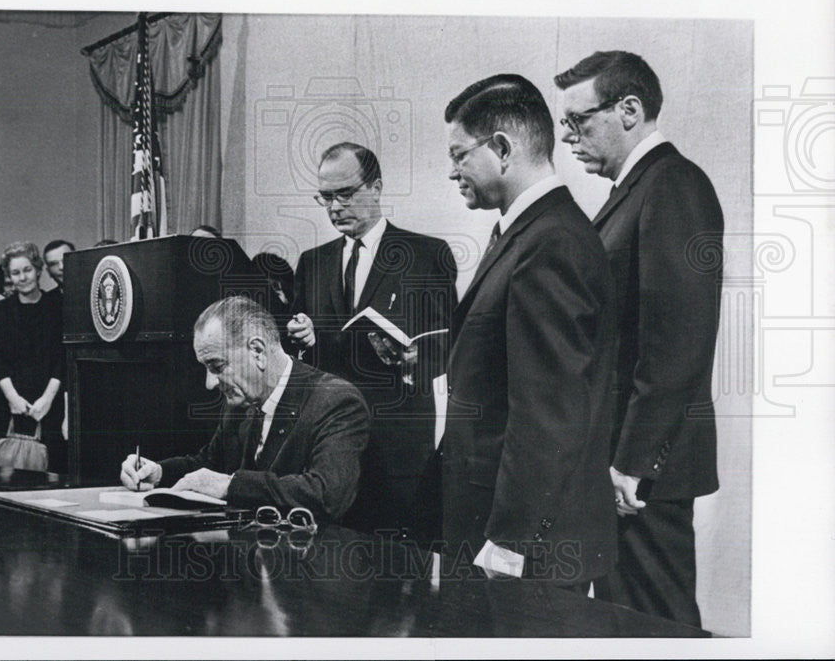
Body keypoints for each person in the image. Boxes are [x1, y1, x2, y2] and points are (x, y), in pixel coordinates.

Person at [555, 51, 723, 626]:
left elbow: (677, 343)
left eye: (578, 121)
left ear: (629, 109)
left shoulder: (674, 185)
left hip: (644, 469)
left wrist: (631, 464)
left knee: (657, 623)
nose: (568, 137)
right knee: (632, 621)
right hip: (627, 462)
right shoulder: (638, 189)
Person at [441, 74, 617, 590]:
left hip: (524, 545)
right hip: (502, 526)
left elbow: (549, 413)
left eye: (459, 155)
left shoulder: (552, 242)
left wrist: (510, 542)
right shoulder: (529, 233)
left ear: (501, 148)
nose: (452, 171)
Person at [285, 142, 458, 540]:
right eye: (325, 197)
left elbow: (450, 345)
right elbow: (297, 356)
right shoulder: (312, 263)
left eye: (344, 194)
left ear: (376, 187)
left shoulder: (426, 255)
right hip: (331, 450)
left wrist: (416, 356)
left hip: (398, 448)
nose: (334, 207)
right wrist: (299, 337)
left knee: (400, 575)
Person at [120, 296, 370, 522]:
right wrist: (159, 472)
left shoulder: (335, 401)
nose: (209, 384)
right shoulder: (240, 404)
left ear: (258, 351)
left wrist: (231, 485)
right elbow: (210, 463)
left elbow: (326, 495)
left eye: (217, 366)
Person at [0, 241, 67, 473]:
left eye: (27, 270)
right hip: (10, 407)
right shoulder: (0, 312)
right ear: (9, 276)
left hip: (49, 405)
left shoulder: (58, 306)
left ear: (38, 269)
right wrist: (13, 399)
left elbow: (62, 358)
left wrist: (47, 400)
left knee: (53, 474)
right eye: (15, 272)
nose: (22, 277)